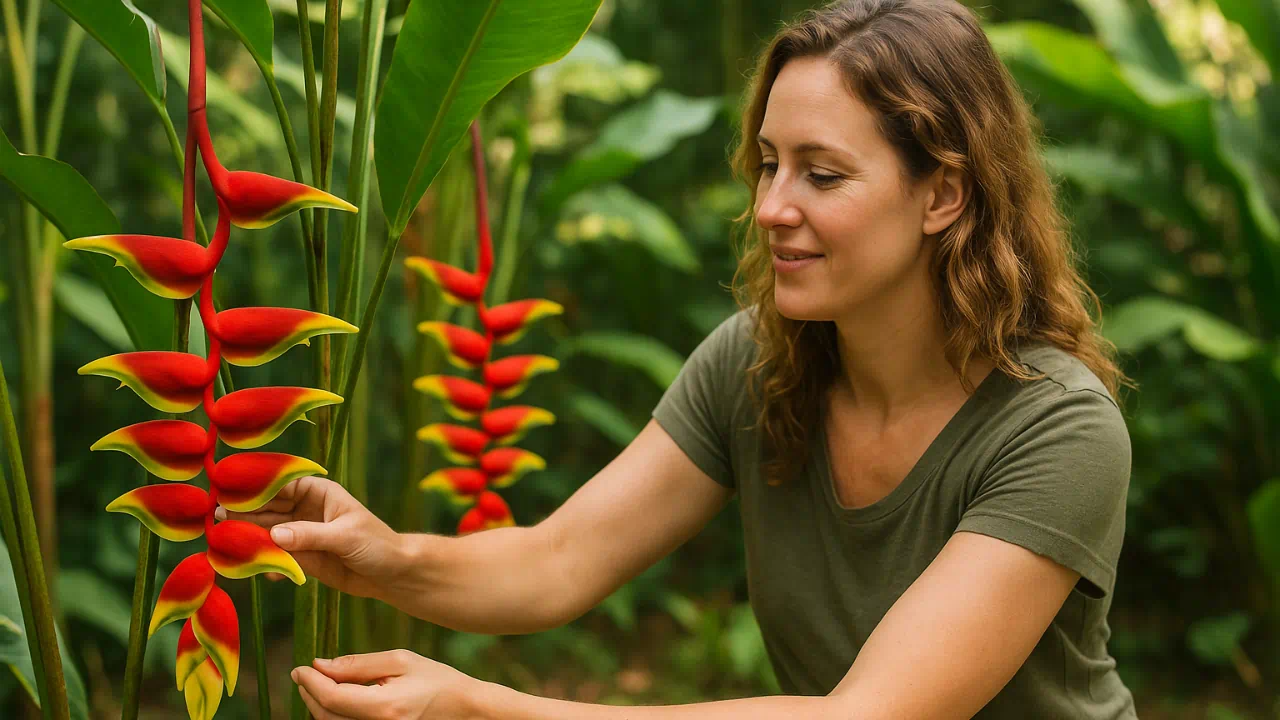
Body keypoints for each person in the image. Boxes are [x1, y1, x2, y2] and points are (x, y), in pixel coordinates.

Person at [222, 0, 1138, 717]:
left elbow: (866, 714)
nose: (771, 206)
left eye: (822, 174)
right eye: (769, 163)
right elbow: (556, 561)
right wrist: (380, 555)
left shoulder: (1057, 429)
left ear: (943, 194)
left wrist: (484, 708)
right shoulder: (761, 361)